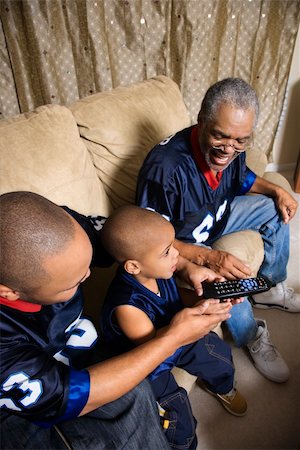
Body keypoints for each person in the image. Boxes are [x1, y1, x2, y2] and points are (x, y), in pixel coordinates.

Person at [0, 191, 231, 450]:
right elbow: (70, 395)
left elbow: (134, 238)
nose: (89, 273)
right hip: (21, 407)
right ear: (8, 292)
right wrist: (173, 337)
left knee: (137, 394)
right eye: (74, 281)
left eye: (87, 264)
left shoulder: (67, 228)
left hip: (77, 358)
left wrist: (186, 265)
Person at [136, 77, 300, 384]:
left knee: (276, 210)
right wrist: (209, 257)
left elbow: (244, 179)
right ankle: (253, 334)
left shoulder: (234, 151)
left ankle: (271, 290)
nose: (229, 149)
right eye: (221, 137)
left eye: (241, 140)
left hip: (218, 217)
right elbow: (149, 242)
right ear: (201, 121)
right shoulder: (164, 169)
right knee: (227, 287)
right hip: (180, 244)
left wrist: (277, 192)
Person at [100, 205, 247, 450]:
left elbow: (174, 298)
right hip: (152, 360)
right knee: (177, 415)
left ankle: (221, 387)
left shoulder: (158, 272)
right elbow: (156, 350)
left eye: (173, 247)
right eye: (167, 252)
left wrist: (205, 301)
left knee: (218, 354)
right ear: (134, 266)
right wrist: (197, 320)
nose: (177, 257)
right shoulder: (127, 307)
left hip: (176, 329)